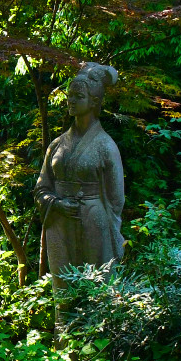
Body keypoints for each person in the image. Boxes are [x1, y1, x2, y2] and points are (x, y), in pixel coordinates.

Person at [36, 63, 125, 285]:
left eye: (79, 96)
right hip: (59, 221)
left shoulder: (106, 146)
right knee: (63, 289)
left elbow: (116, 200)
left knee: (94, 288)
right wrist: (55, 203)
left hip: (94, 223)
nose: (71, 101)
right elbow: (41, 188)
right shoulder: (57, 145)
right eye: (70, 95)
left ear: (94, 101)